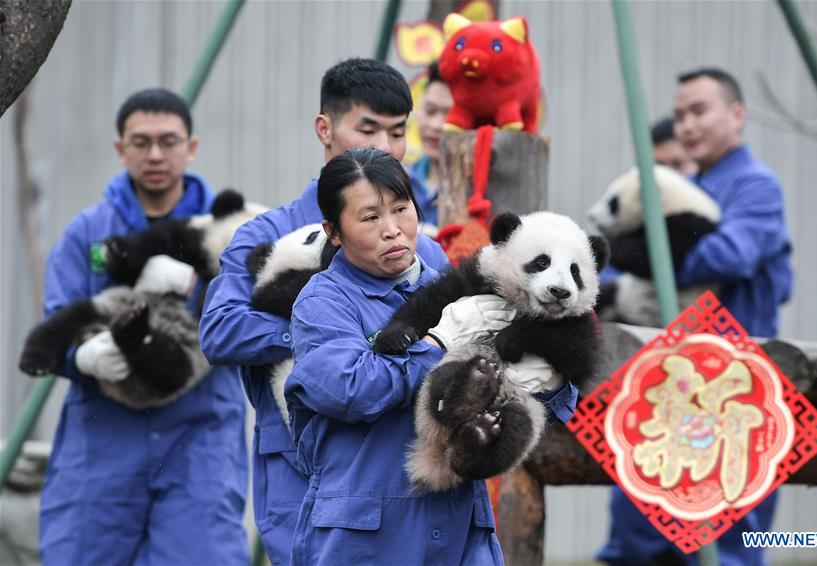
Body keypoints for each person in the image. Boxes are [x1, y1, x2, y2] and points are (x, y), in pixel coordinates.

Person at [200, 58, 450, 565]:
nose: (384, 147)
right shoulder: (267, 235)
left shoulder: (424, 248)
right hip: (303, 465)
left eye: (397, 132)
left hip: (409, 460)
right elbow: (221, 331)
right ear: (325, 128)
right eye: (367, 128)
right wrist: (331, 343)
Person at [285, 147, 577, 564]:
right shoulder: (322, 303)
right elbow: (350, 390)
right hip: (365, 534)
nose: (393, 230)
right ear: (333, 231)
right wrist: (437, 345)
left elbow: (540, 398)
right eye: (370, 217)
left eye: (401, 209)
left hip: (459, 526)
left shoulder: (451, 283)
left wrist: (550, 381)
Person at [38, 88, 248, 565]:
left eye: (169, 141)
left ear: (191, 147)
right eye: (141, 141)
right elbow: (58, 323)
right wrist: (81, 356)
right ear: (120, 149)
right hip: (102, 443)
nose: (155, 154)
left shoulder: (229, 230)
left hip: (200, 437)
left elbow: (253, 323)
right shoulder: (88, 233)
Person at [597, 68, 793, 566]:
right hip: (673, 375)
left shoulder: (755, 185)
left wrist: (646, 251)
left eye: (699, 111)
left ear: (737, 113)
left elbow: (730, 256)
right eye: (680, 114)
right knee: (642, 524)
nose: (686, 125)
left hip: (734, 379)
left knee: (728, 531)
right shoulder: (689, 184)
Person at [410, 61, 454, 228]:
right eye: (430, 111)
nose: (436, 125)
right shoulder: (401, 180)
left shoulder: (480, 192)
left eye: (450, 117)